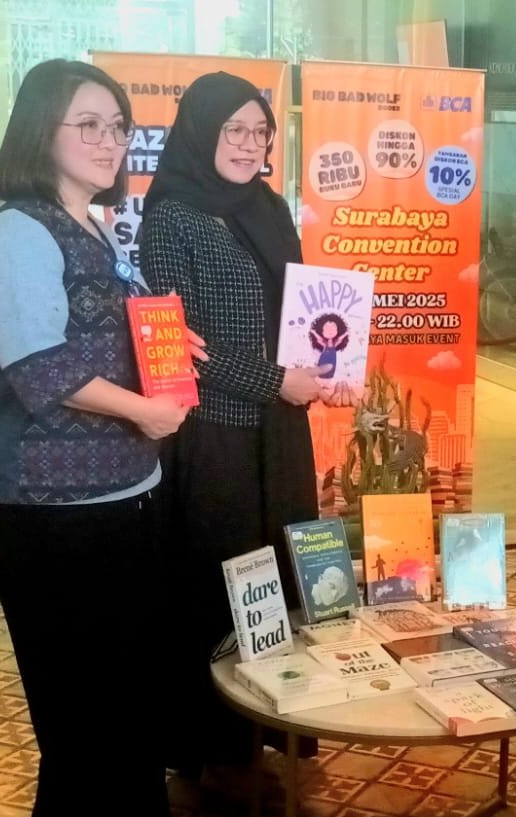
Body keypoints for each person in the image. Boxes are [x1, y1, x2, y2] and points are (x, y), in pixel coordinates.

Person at [0, 59, 201, 817]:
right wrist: (142, 410)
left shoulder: (91, 225)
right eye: (89, 125)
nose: (110, 141)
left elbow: (96, 333)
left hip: (121, 490)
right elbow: (40, 366)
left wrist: (166, 347)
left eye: (119, 127)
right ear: (42, 130)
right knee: (84, 721)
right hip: (53, 503)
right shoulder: (18, 231)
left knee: (127, 710)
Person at [140, 72, 325, 773]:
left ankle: (277, 714)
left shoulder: (267, 206)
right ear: (199, 132)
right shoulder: (170, 219)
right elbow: (179, 346)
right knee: (220, 579)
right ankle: (212, 737)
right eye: (233, 130)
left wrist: (326, 362)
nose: (249, 145)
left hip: (281, 429)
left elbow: (299, 311)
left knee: (280, 571)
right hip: (214, 433)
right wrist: (279, 380)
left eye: (260, 132)